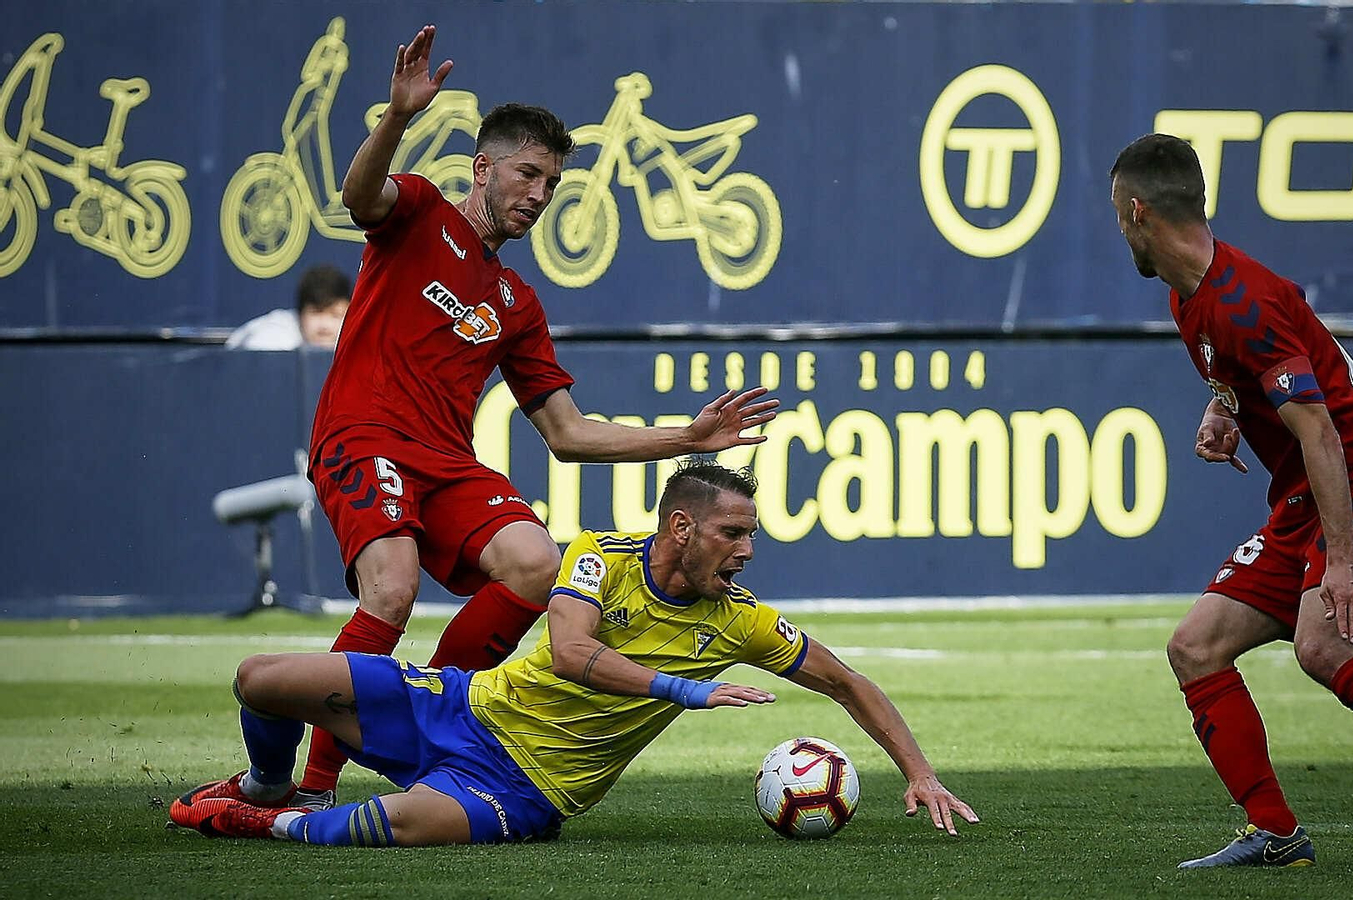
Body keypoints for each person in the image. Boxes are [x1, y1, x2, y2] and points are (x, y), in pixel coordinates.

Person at [294, 25, 779, 810]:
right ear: (482, 168)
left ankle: (438, 722)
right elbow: (357, 197)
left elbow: (567, 433)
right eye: (527, 174)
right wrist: (395, 119)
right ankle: (309, 788)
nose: (539, 195)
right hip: (363, 434)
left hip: (444, 460)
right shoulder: (417, 212)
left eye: (551, 183)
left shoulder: (515, 303)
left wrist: (684, 440)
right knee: (392, 589)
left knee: (533, 559)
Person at [167, 460, 979, 846]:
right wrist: (684, 692)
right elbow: (568, 650)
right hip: (458, 706)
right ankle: (273, 782)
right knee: (261, 680)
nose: (748, 551)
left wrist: (918, 770)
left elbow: (847, 682)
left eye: (753, 536)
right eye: (735, 533)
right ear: (683, 528)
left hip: (527, 787)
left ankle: (264, 822)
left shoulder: (741, 623)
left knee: (399, 825)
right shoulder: (600, 554)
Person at [1108, 134, 1353, 871]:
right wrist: (1223, 408)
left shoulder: (1244, 302)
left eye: (1116, 217)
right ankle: (1276, 834)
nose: (1118, 231)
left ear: (1137, 212)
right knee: (1195, 649)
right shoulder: (1187, 295)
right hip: (1301, 500)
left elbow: (1320, 430)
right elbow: (1243, 376)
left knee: (1323, 646)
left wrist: (1343, 564)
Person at [225, 264, 352, 350]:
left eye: (336, 315)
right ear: (300, 314)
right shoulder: (274, 337)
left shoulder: (358, 340)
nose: (325, 326)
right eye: (316, 313)